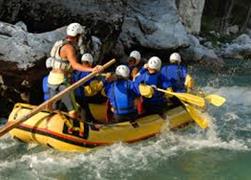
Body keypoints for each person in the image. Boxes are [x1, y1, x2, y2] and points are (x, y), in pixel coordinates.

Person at [46, 22, 103, 133]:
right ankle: (77, 131)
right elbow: (75, 65)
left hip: (51, 79)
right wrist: (92, 69)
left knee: (53, 108)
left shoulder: (58, 43)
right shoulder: (69, 48)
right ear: (77, 36)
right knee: (73, 110)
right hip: (62, 81)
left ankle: (50, 127)